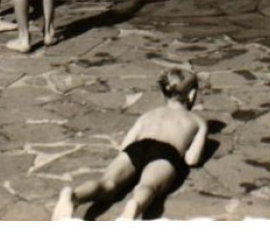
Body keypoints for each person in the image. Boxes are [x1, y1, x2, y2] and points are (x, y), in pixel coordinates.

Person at [52, 69, 207, 221]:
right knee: (148, 186)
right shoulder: (197, 121)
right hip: (166, 152)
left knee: (107, 183)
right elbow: (192, 159)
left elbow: (124, 146)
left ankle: (75, 196)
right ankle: (132, 208)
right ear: (192, 94)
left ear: (163, 93)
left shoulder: (148, 115)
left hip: (137, 148)